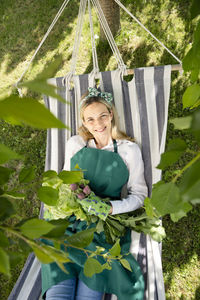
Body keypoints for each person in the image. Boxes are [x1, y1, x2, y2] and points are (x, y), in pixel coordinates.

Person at [41, 87, 148, 300]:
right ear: (83, 122)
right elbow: (65, 182)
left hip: (103, 229)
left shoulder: (128, 150)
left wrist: (109, 208)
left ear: (111, 115)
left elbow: (139, 194)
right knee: (58, 294)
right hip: (70, 225)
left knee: (88, 293)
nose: (97, 124)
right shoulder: (76, 144)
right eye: (90, 119)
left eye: (102, 116)